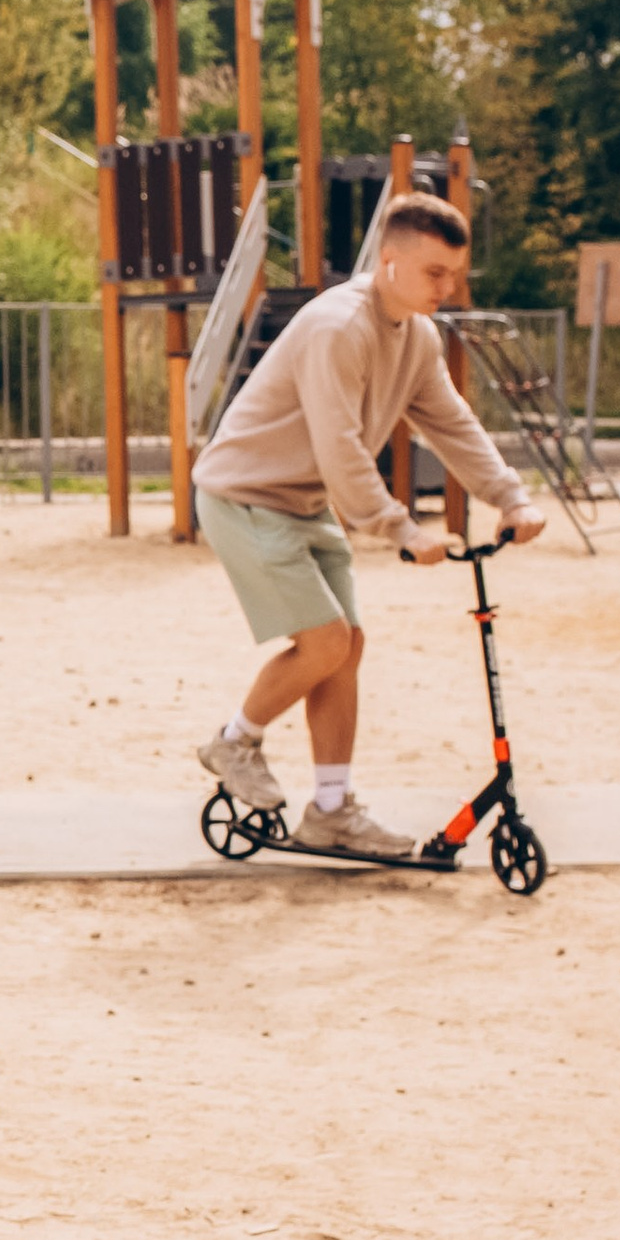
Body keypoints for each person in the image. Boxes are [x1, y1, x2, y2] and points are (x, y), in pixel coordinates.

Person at [194, 189, 543, 858]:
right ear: (389, 263)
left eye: (456, 273)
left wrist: (510, 495)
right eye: (435, 273)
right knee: (324, 641)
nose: (449, 286)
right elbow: (340, 443)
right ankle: (233, 741)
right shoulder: (339, 327)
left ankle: (331, 810)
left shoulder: (416, 335)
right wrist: (399, 528)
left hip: (303, 500)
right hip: (245, 494)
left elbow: (450, 422)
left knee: (346, 647)